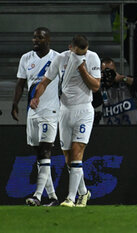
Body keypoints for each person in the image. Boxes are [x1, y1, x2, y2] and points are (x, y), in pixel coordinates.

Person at [30, 34, 101, 207]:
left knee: (78, 152)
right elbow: (45, 82)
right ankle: (84, 193)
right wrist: (36, 97)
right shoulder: (60, 59)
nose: (81, 56)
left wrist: (82, 69)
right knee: (69, 158)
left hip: (84, 110)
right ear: (71, 48)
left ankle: (71, 198)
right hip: (65, 110)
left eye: (83, 52)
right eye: (78, 53)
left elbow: (96, 86)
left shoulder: (92, 58)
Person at [11, 27, 59, 206]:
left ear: (48, 40)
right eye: (34, 37)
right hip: (33, 112)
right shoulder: (26, 58)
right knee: (40, 154)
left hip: (50, 111)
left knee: (46, 150)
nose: (35, 41)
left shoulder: (57, 58)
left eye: (39, 38)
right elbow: (20, 84)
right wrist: (15, 104)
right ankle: (53, 197)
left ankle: (37, 196)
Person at [92, 57, 137, 125]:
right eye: (105, 72)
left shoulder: (125, 81)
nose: (108, 75)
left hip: (133, 127)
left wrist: (123, 78)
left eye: (111, 71)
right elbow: (93, 103)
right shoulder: (101, 87)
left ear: (115, 70)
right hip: (111, 129)